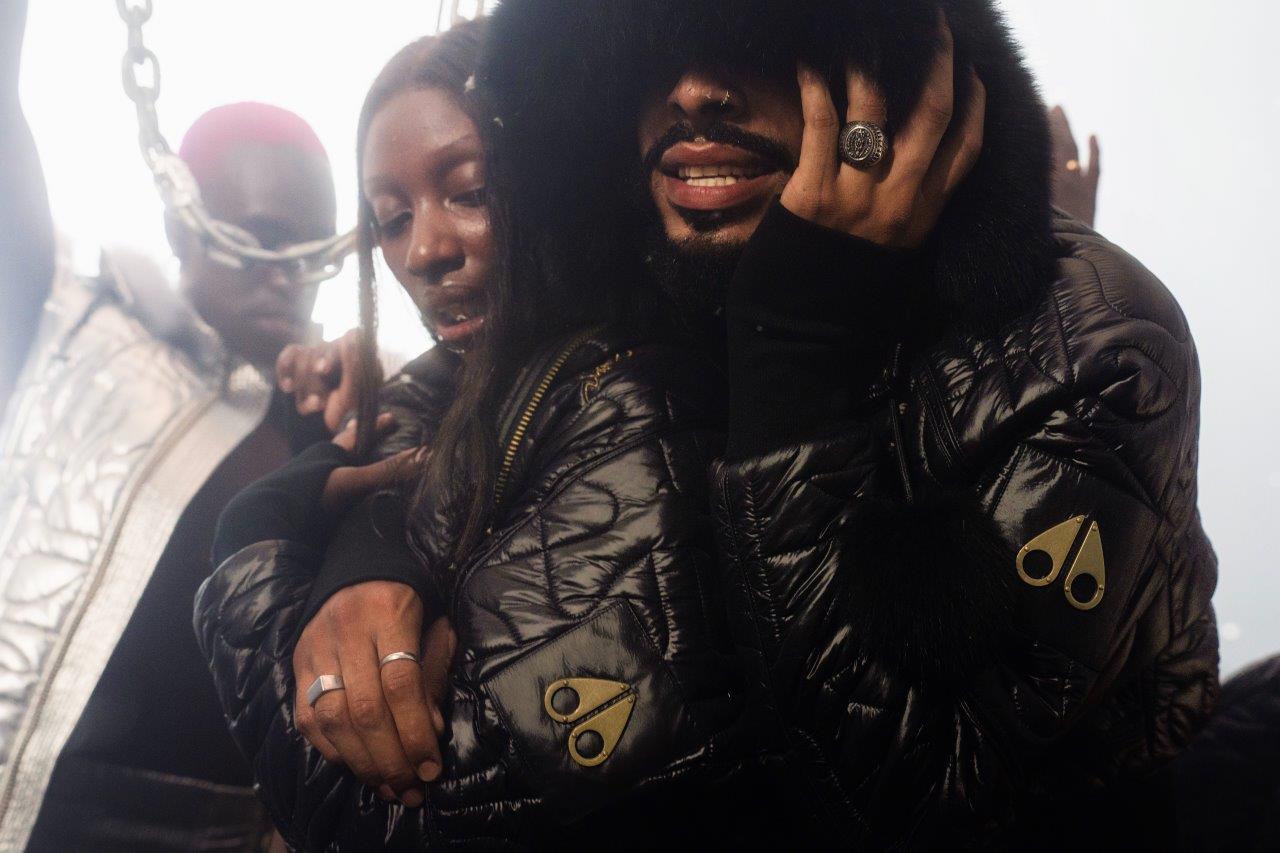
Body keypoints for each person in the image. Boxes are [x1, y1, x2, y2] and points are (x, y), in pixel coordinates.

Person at [199, 1, 1219, 848]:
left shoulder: (1092, 341)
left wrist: (797, 353)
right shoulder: (661, 276)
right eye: (648, 48)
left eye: (754, 31)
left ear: (890, 54)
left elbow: (916, 799)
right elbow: (470, 394)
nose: (691, 89)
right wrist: (363, 531)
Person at [0, 5, 337, 847]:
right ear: (182, 223)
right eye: (261, 239)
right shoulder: (72, 319)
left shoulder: (326, 422)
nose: (288, 275)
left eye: (312, 252)